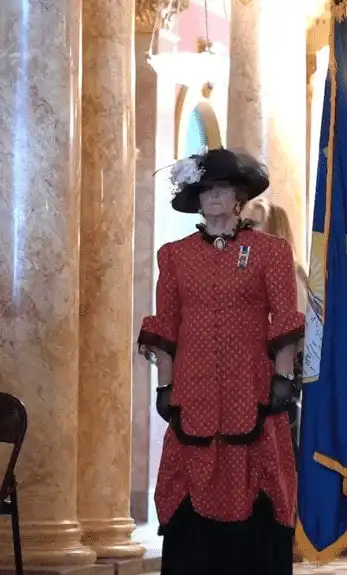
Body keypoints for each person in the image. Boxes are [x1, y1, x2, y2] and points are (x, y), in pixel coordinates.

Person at [138, 148, 305, 575]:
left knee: (256, 475)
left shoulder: (270, 250)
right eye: (206, 191)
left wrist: (283, 378)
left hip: (251, 382)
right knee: (191, 473)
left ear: (239, 199)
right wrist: (165, 385)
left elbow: (284, 315)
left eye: (223, 190)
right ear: (196, 200)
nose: (213, 198)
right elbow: (166, 325)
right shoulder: (173, 255)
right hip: (193, 385)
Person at [242, 198, 309, 563]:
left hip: (281, 376)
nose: (246, 230)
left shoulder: (292, 274)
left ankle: (289, 534)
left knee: (283, 458)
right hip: (246, 374)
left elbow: (292, 328)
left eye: (254, 224)